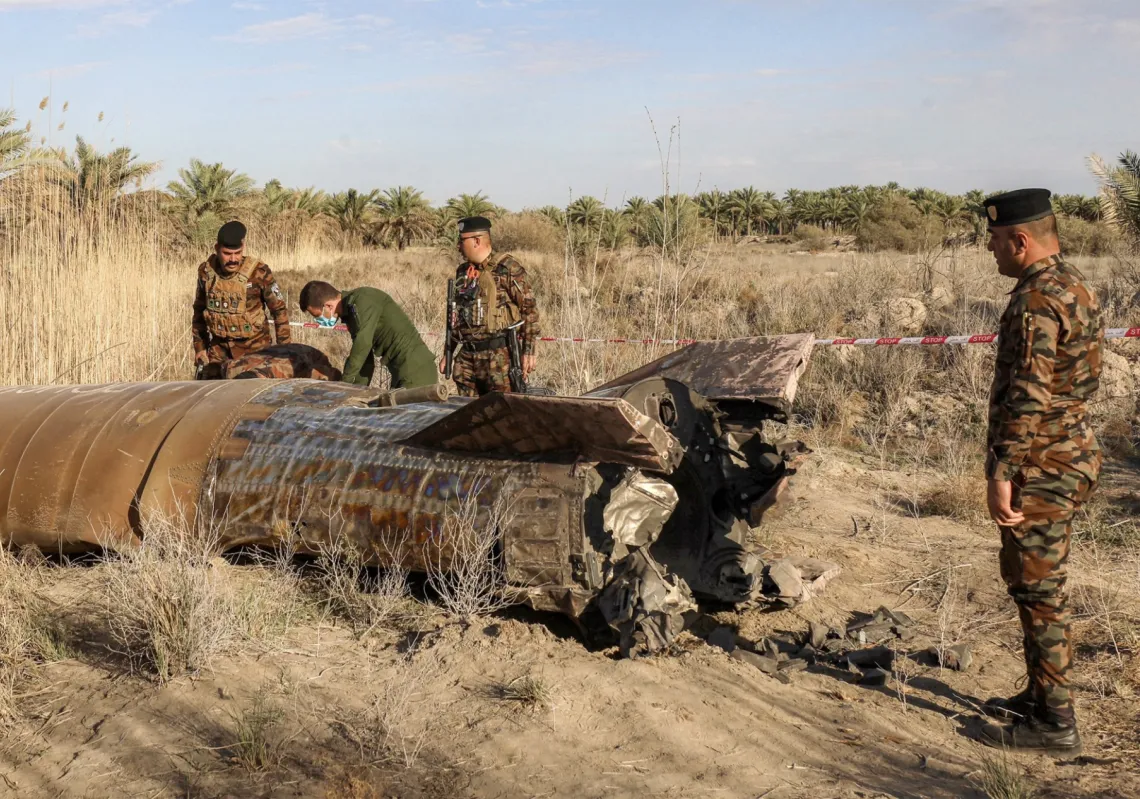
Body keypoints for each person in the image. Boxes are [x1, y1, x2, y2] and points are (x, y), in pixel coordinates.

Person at [978, 188, 1103, 754]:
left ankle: (1056, 722)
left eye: (997, 241)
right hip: (1069, 450)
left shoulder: (1035, 300)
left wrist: (1003, 469)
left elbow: (1029, 394)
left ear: (1021, 240)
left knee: (1038, 589)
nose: (992, 251)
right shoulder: (1072, 284)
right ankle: (1039, 695)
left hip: (1043, 464)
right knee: (1033, 583)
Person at [444, 216, 541, 396]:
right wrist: (448, 353)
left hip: (498, 359)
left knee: (501, 414)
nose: (458, 246)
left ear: (477, 241)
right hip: (467, 358)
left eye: (461, 241)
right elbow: (456, 317)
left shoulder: (508, 268)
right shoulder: (463, 272)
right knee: (467, 414)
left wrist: (528, 352)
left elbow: (529, 311)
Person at [298, 281, 437, 389]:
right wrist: (355, 391)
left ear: (328, 306)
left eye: (317, 316)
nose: (318, 320)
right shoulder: (350, 313)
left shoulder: (361, 301)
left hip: (416, 370)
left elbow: (362, 346)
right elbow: (366, 361)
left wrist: (343, 384)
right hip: (401, 371)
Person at [192, 221, 290, 369]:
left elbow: (279, 311)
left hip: (256, 352)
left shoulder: (259, 272)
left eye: (237, 253)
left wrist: (285, 351)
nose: (233, 259)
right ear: (217, 249)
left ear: (243, 248)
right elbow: (199, 311)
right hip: (219, 352)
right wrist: (200, 347)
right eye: (227, 254)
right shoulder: (206, 273)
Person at [197, 343, 341, 381]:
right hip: (303, 352)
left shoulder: (237, 373)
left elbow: (248, 383)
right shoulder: (240, 362)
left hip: (296, 362)